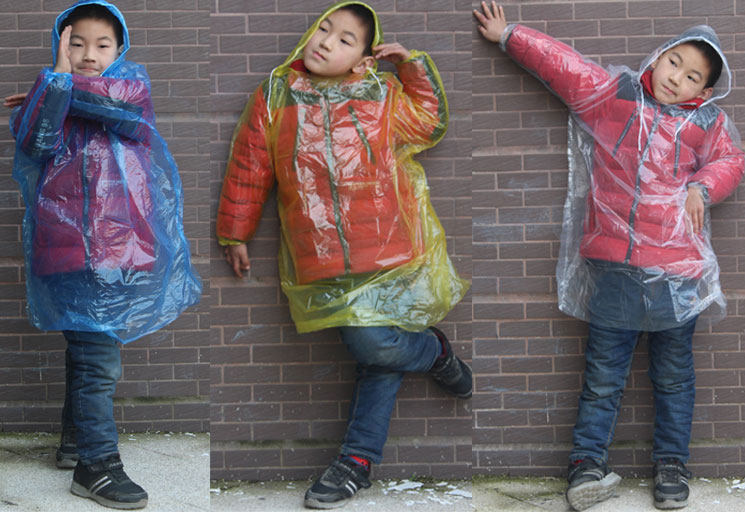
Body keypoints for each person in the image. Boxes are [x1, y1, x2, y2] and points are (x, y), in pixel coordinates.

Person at [474, 2, 745, 510]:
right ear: (658, 57)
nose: (676, 78)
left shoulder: (706, 121)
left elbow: (731, 159)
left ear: (704, 92)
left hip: (676, 273)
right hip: (615, 265)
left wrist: (703, 186)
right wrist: (509, 34)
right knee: (603, 375)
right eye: (674, 62)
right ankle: (586, 465)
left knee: (674, 376)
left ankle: (671, 466)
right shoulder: (615, 96)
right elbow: (565, 66)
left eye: (692, 76)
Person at [217, 1, 471, 508]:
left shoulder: (381, 93)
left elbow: (429, 124)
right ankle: (430, 357)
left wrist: (411, 68)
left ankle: (356, 459)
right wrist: (235, 231)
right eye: (324, 29)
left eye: (345, 39)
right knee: (375, 350)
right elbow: (250, 164)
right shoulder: (276, 94)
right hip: (321, 255)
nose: (326, 41)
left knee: (374, 348)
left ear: (362, 60)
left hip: (389, 248)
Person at [5, 1, 202, 509]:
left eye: (102, 45)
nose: (89, 54)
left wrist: (54, 90)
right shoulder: (53, 88)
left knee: (92, 356)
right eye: (76, 43)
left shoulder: (131, 86)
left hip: (119, 251)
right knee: (94, 359)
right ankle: (95, 463)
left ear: (120, 51)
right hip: (66, 250)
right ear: (61, 46)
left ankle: (78, 446)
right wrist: (52, 87)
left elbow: (119, 109)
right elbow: (35, 141)